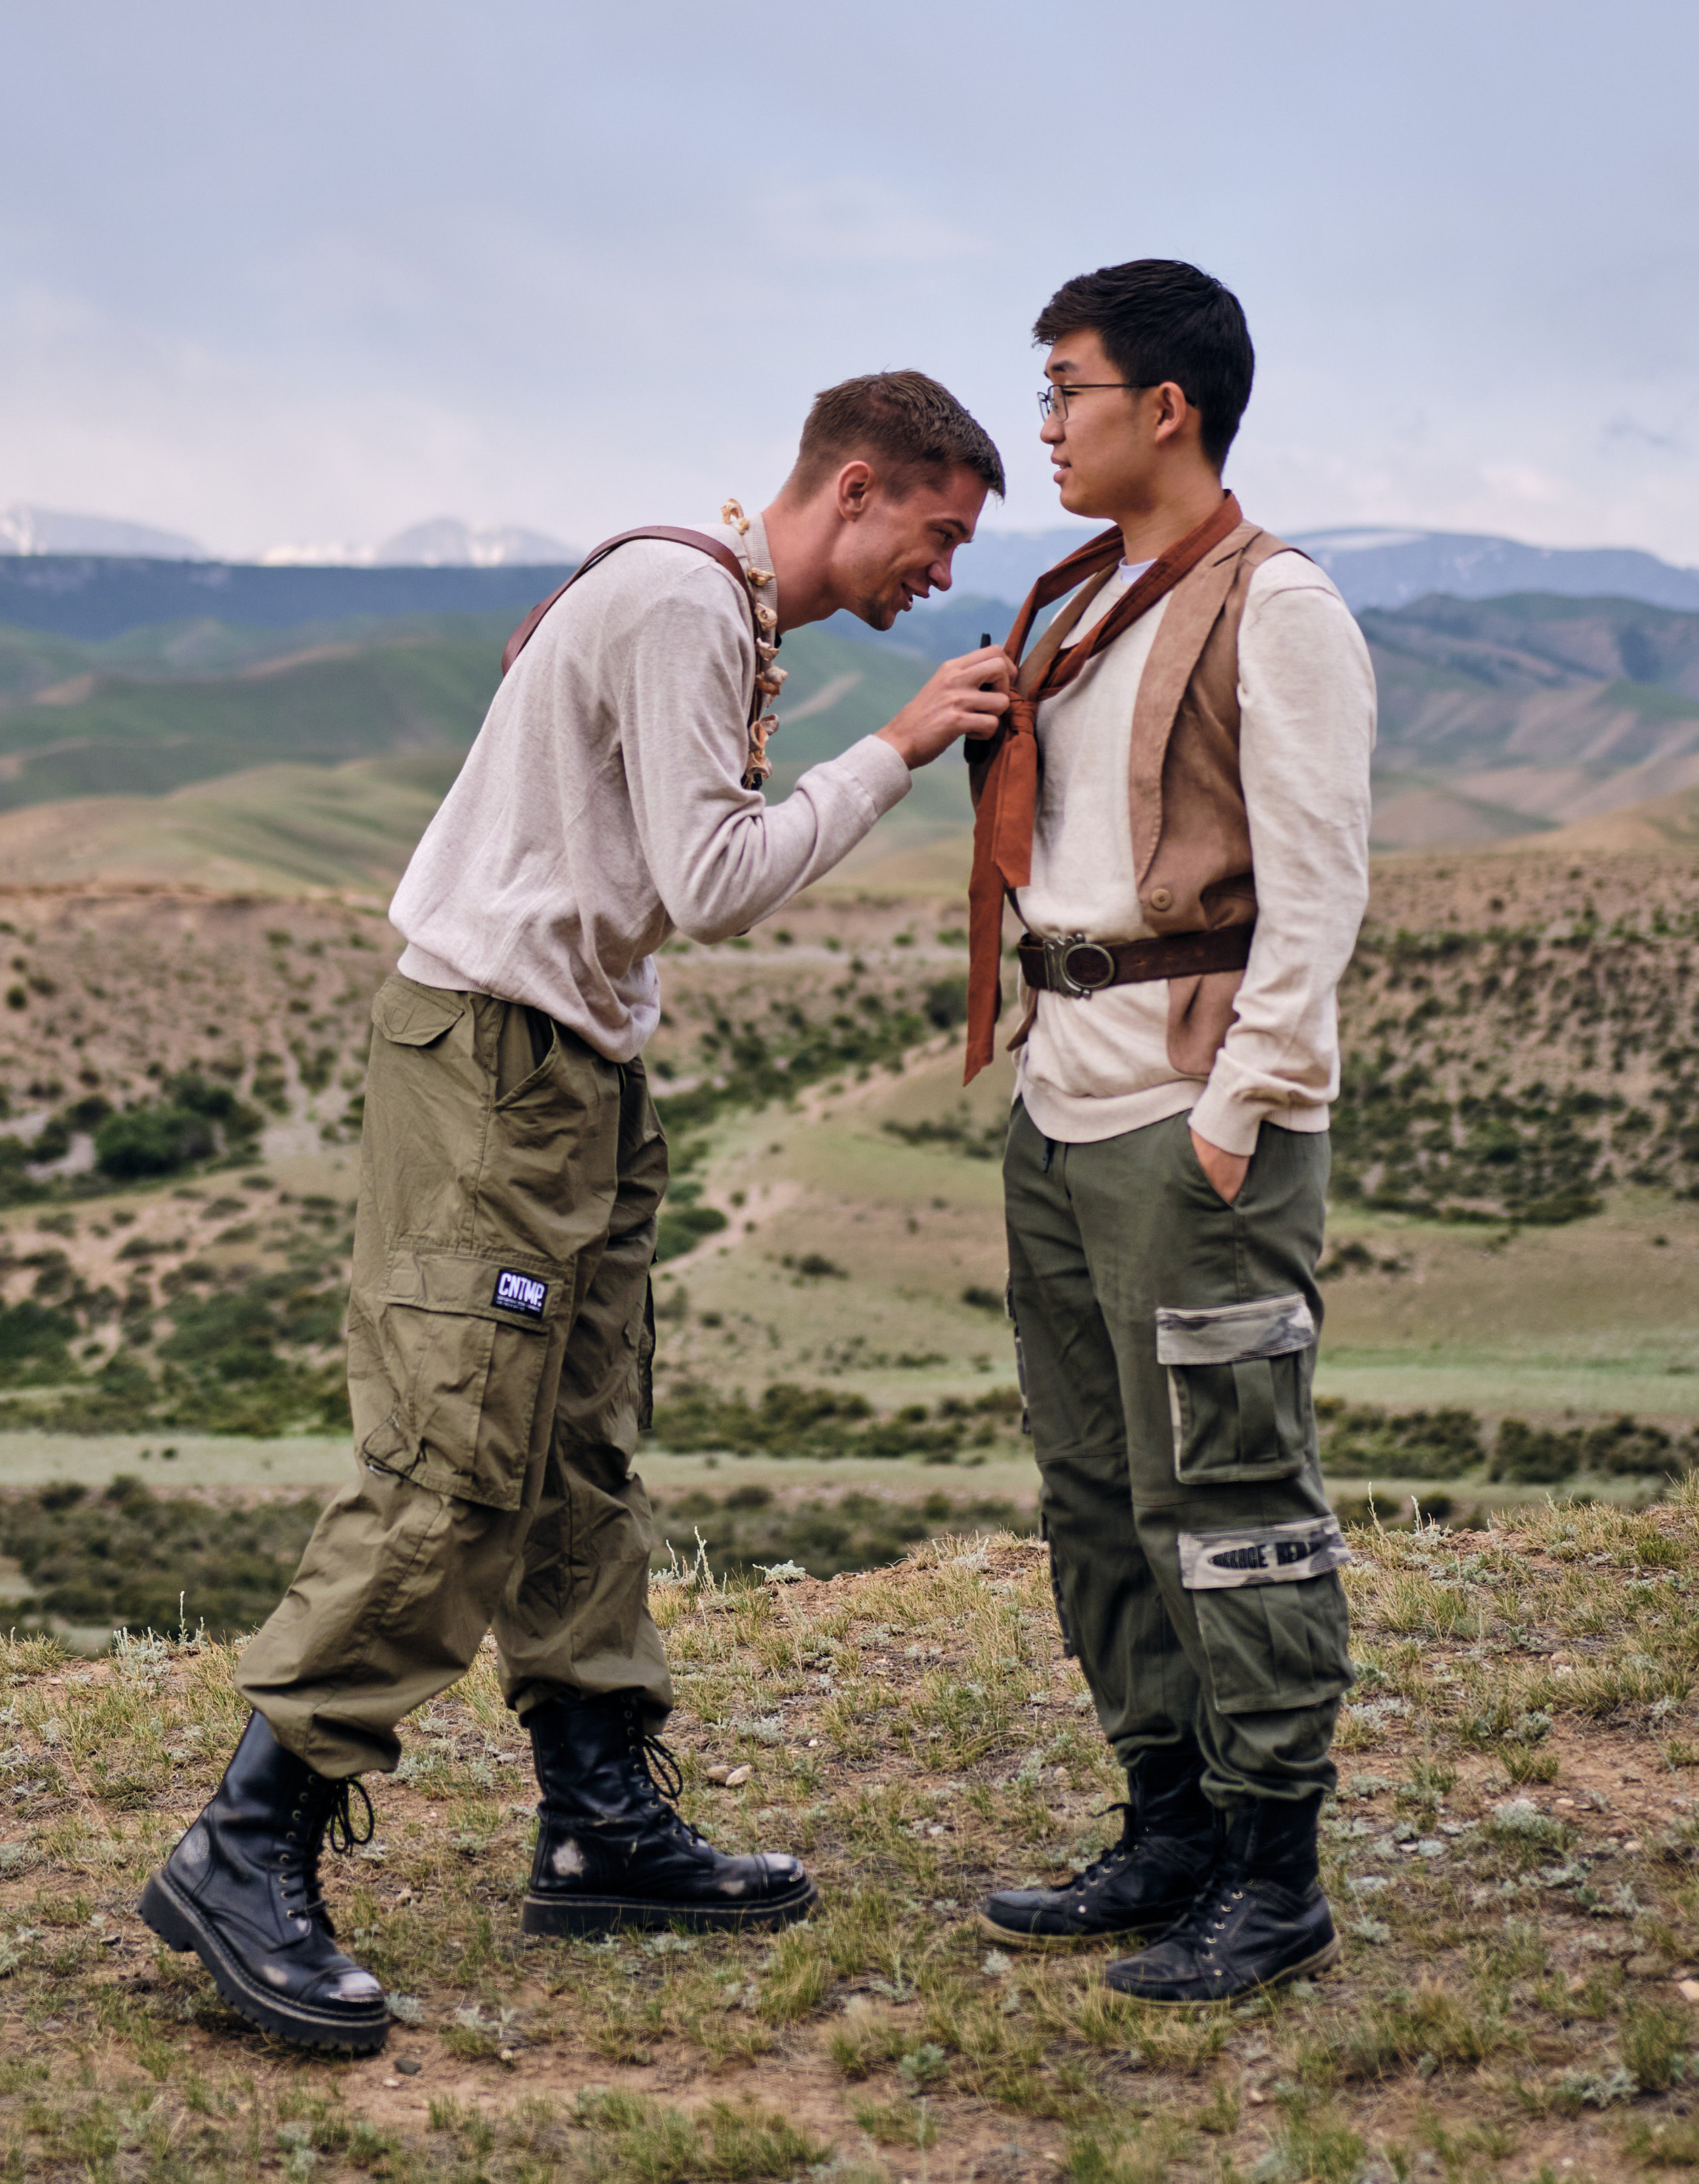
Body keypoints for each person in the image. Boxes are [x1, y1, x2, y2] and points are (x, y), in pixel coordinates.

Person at [139, 370, 1013, 2053]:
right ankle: (244, 1843)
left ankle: (597, 1814)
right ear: (854, 486)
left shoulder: (707, 600)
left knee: (574, 1447)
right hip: (494, 1063)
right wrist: (895, 749)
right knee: (458, 1457)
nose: (943, 569)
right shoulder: (686, 600)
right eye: (938, 529)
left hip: (569, 1064)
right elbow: (712, 882)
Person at [970, 262, 1375, 2004]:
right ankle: (1168, 1827)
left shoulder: (1277, 605)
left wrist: (1238, 1110)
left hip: (1189, 1114)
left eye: (1066, 389)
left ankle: (1272, 1875)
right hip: (1064, 1104)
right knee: (1096, 1495)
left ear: (1166, 407)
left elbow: (1318, 882)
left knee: (1225, 1488)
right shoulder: (1083, 602)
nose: (1046, 424)